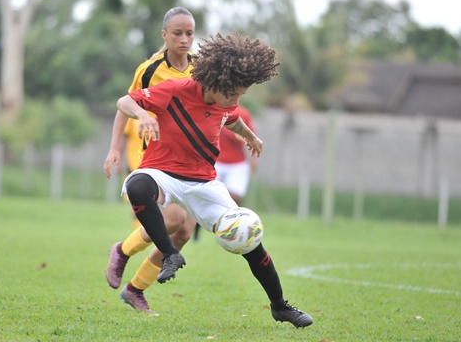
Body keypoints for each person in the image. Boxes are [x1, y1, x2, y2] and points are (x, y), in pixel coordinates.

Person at [103, 32, 313, 328]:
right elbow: (125, 101)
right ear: (213, 82)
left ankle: (280, 306)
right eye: (232, 94)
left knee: (250, 239)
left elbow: (232, 118)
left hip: (202, 182)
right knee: (138, 186)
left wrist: (250, 136)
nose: (235, 100)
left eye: (241, 95)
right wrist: (144, 115)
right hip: (162, 172)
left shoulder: (226, 99)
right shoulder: (174, 89)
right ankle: (170, 255)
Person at [104, 7, 198, 313]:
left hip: (190, 162)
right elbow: (125, 105)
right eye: (177, 33)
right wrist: (114, 148)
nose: (184, 40)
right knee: (171, 219)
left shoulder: (201, 68)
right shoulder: (149, 69)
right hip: (155, 159)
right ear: (164, 35)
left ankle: (135, 290)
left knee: (185, 230)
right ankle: (121, 250)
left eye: (189, 34)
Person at [193, 105, 258, 241]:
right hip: (216, 161)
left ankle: (233, 231)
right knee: (206, 197)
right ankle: (196, 232)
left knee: (234, 198)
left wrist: (253, 160)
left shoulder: (244, 114)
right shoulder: (212, 109)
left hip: (237, 164)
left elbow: (251, 135)